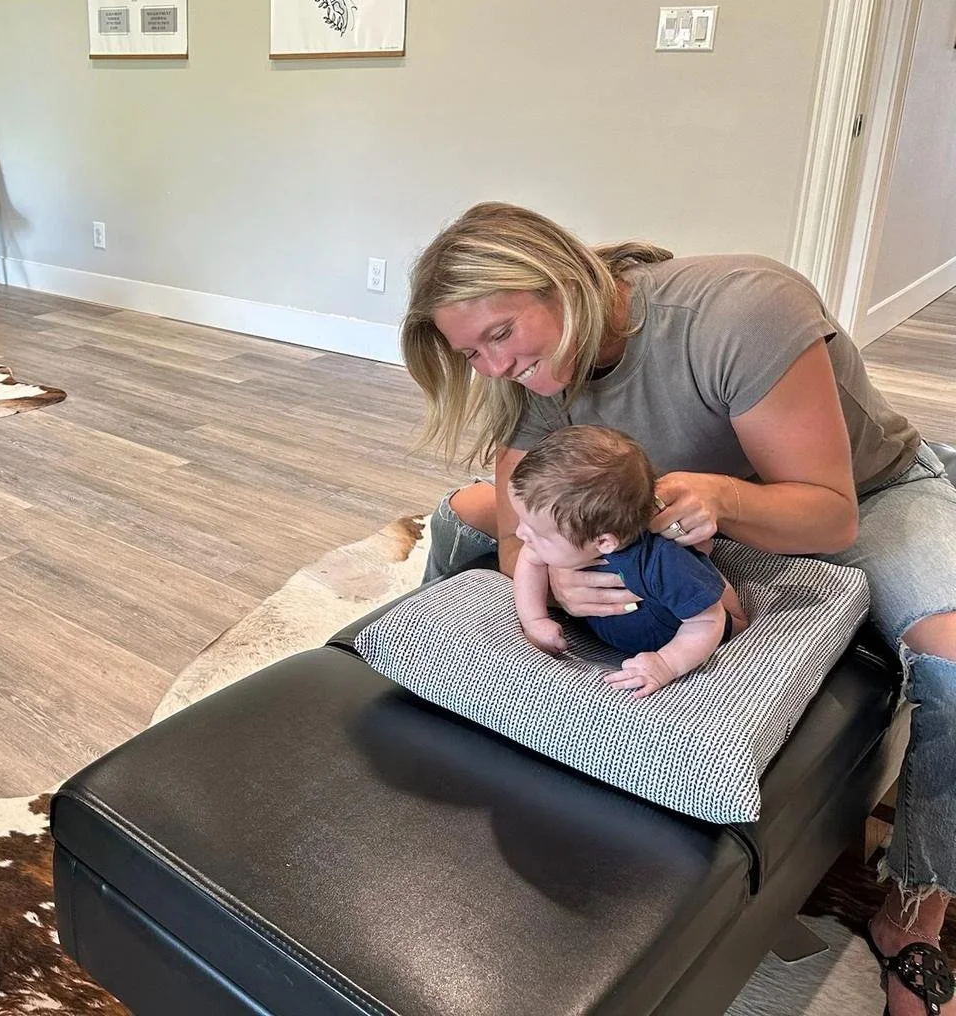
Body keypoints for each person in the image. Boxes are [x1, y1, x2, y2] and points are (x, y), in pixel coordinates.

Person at [403, 201, 956, 1016]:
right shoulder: (533, 371)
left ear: (559, 281)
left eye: (498, 336)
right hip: (649, 520)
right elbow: (519, 511)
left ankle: (918, 908)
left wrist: (723, 496)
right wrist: (549, 577)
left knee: (950, 657)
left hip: (852, 496)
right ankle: (424, 712)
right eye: (467, 353)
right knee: (460, 512)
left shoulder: (740, 311)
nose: (488, 367)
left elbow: (830, 515)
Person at [507, 425, 744, 697]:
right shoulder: (568, 538)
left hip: (689, 633)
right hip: (619, 630)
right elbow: (530, 560)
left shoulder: (661, 561)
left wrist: (666, 663)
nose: (520, 534)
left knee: (713, 604)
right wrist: (534, 619)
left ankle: (713, 576)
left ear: (604, 542)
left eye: (537, 533)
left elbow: (707, 620)